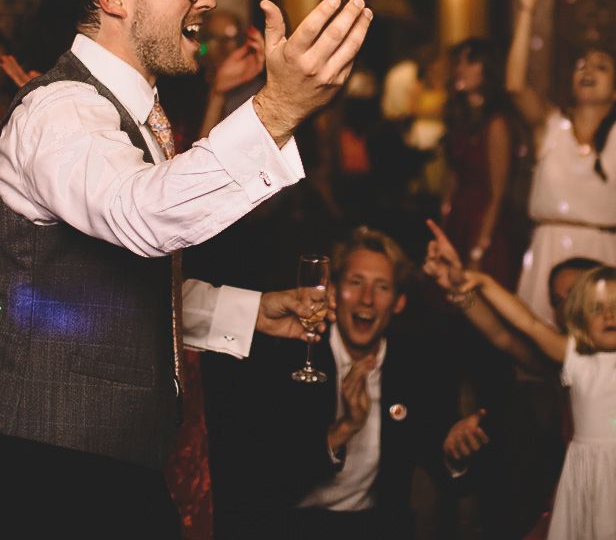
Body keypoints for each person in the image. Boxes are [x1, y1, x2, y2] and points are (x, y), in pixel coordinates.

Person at [0, 0, 371, 539]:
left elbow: (112, 289)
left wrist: (247, 312)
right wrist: (277, 109)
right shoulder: (59, 110)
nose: (205, 0)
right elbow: (141, 217)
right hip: (49, 465)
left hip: (108, 460)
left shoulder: (137, 114)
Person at [206, 227, 484, 540]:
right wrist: (344, 429)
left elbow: (449, 472)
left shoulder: (413, 366)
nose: (367, 299)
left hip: (373, 528)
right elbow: (260, 481)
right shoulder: (290, 356)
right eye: (356, 282)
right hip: (291, 527)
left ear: (398, 302)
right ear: (334, 293)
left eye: (382, 287)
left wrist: (453, 454)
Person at [425, 218, 602, 539]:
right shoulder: (563, 361)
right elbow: (504, 335)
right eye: (557, 300)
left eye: (575, 293)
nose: (566, 307)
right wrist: (457, 285)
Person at [456, 263, 616, 540]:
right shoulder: (575, 358)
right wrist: (485, 282)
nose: (609, 315)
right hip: (587, 470)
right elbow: (527, 323)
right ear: (579, 319)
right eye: (596, 308)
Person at [507, 0, 616, 326]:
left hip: (604, 252)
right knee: (539, 351)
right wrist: (526, 10)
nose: (588, 70)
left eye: (601, 66)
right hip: (548, 250)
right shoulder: (550, 127)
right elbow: (515, 86)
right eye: (581, 65)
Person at [441, 37, 520, 286]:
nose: (460, 68)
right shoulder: (462, 118)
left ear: (487, 69)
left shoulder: (496, 123)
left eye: (470, 62)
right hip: (460, 217)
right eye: (459, 61)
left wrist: (479, 247)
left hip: (485, 222)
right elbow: (455, 173)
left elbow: (498, 192)